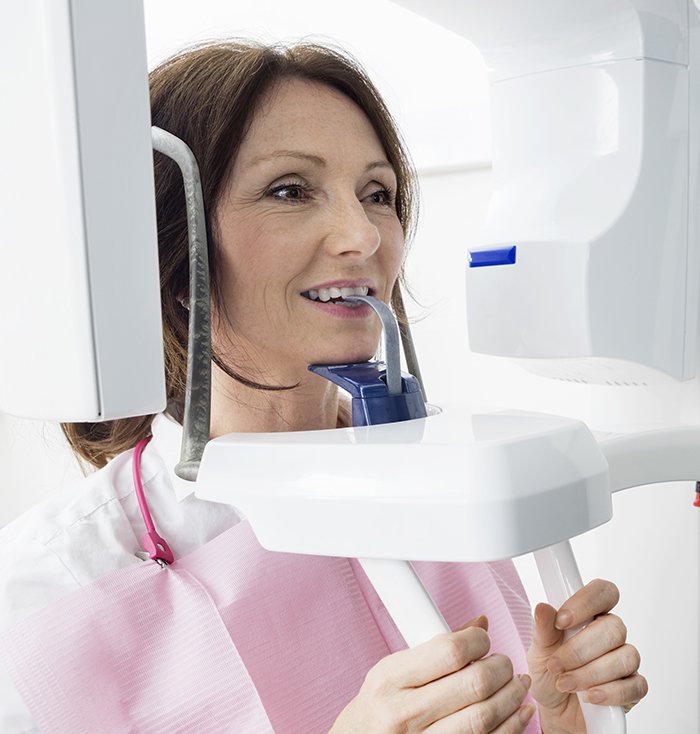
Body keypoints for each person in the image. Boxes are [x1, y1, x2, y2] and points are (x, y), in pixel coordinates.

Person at [0, 41, 646, 733]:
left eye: (377, 194)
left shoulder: (443, 485)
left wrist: (563, 713)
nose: (363, 235)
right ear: (168, 243)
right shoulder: (54, 583)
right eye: (289, 191)